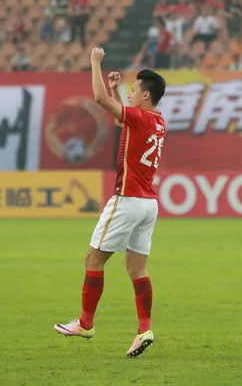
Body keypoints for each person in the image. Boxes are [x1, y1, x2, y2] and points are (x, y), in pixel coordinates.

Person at [54, 48, 167, 358]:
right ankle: (144, 329)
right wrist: (117, 88)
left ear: (145, 95)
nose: (130, 93)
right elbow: (124, 122)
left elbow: (102, 102)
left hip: (127, 199)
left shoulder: (141, 117)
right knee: (137, 268)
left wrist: (94, 63)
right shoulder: (158, 121)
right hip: (149, 205)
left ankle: (86, 323)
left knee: (93, 259)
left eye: (133, 90)